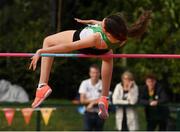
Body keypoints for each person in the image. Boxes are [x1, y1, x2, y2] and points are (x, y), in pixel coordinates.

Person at [29, 11, 151, 119]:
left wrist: (41, 51)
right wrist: (92, 22)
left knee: (47, 41)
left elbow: (68, 47)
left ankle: (42, 85)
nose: (101, 23)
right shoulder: (122, 38)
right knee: (108, 58)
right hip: (102, 49)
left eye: (103, 24)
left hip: (82, 42)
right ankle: (104, 98)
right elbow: (106, 27)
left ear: (106, 31)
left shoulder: (95, 37)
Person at [79, 64, 105, 131]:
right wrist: (95, 101)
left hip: (100, 112)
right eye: (93, 72)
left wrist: (92, 103)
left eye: (97, 72)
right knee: (87, 129)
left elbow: (104, 99)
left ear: (99, 73)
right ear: (90, 73)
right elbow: (82, 100)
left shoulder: (103, 83)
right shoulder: (84, 83)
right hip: (88, 112)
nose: (95, 75)